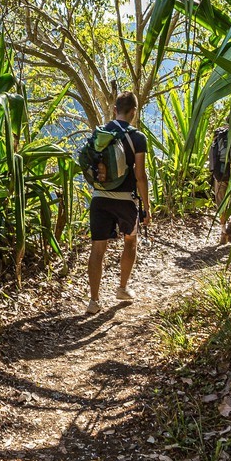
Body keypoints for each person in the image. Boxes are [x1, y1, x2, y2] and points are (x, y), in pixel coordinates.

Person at [85, 92, 150, 316]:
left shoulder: (99, 133)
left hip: (99, 198)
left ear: (114, 109)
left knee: (98, 248)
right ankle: (122, 288)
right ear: (134, 112)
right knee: (130, 241)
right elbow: (140, 175)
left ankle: (93, 301)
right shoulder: (138, 137)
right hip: (126, 200)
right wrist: (146, 208)